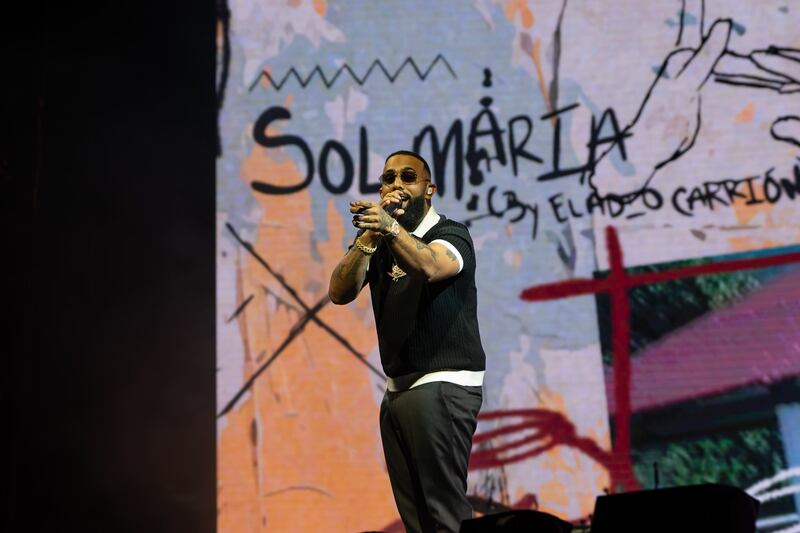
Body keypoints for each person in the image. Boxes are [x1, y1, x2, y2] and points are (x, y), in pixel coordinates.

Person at [328, 150, 486, 533]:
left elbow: (431, 266)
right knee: (417, 521)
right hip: (398, 391)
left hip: (441, 384)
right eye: (388, 178)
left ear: (428, 190)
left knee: (445, 514)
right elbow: (339, 291)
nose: (396, 185)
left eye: (408, 177)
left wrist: (390, 228)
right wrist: (370, 233)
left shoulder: (449, 234)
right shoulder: (380, 240)